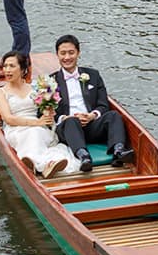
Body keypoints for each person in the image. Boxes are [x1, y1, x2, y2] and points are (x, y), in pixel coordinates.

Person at [44, 33, 131, 168]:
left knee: (114, 115)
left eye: (71, 53)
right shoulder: (50, 81)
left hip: (91, 125)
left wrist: (92, 115)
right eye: (63, 53)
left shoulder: (93, 75)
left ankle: (118, 150)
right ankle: (83, 155)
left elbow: (103, 105)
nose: (67, 57)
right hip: (68, 129)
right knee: (71, 121)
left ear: (78, 53)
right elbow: (44, 111)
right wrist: (64, 118)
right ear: (57, 55)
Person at [0, 51, 82, 178]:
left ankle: (38, 164)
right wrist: (37, 123)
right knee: (32, 133)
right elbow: (8, 119)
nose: (7, 70)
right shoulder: (0, 92)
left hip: (38, 125)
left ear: (22, 69)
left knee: (38, 132)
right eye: (5, 66)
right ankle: (44, 165)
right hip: (16, 128)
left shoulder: (35, 89)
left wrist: (48, 112)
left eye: (12, 66)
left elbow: (44, 109)